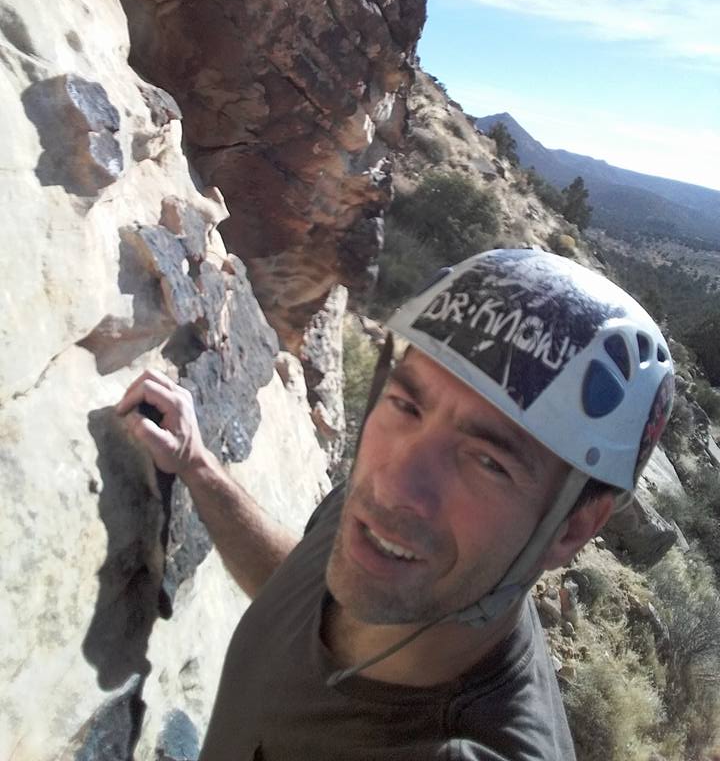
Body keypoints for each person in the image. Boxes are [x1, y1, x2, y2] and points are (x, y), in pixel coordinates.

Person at [117, 249, 675, 760]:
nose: (394, 485)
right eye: (406, 405)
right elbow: (298, 584)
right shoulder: (377, 532)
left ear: (572, 528)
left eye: (487, 462)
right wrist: (197, 466)